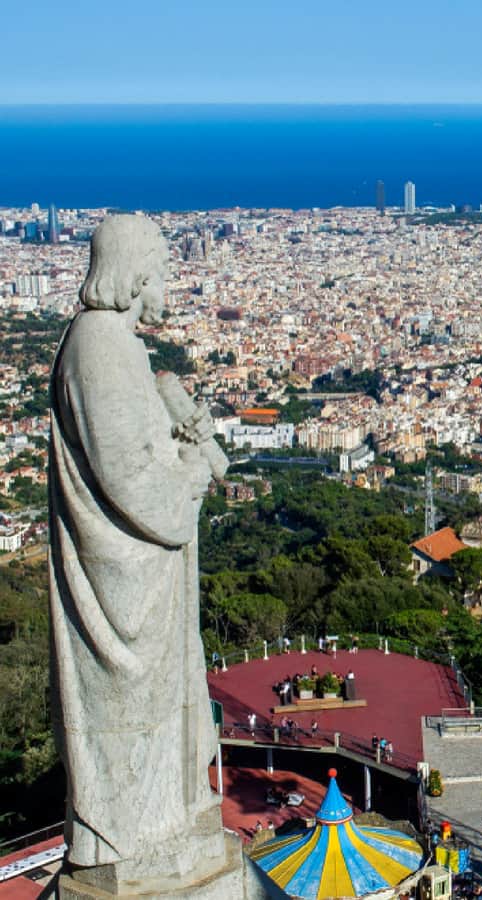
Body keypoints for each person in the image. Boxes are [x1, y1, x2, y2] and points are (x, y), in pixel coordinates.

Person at [48, 215, 225, 867]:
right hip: (125, 583)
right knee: (134, 711)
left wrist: (178, 449)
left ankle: (163, 816)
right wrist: (190, 473)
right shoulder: (100, 347)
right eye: (161, 270)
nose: (168, 284)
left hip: (140, 574)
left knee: (155, 712)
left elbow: (138, 458)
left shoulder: (114, 344)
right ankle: (127, 833)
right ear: (135, 273)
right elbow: (133, 484)